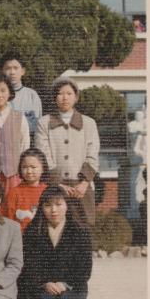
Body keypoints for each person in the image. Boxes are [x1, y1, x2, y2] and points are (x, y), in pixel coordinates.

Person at [34, 78, 100, 225]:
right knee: (54, 227)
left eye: (69, 94)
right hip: (54, 185)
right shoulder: (44, 122)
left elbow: (93, 154)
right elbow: (42, 154)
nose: (65, 98)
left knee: (83, 229)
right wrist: (57, 184)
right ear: (54, 98)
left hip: (82, 187)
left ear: (76, 97)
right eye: (60, 94)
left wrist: (84, 183)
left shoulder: (89, 123)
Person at [2, 148, 49, 232]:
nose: (29, 171)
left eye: (33, 167)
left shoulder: (48, 191)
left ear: (43, 168)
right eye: (24, 167)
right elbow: (8, 220)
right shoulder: (14, 193)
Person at [1, 56, 42, 138]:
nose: (12, 72)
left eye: (16, 68)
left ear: (23, 71)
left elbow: (36, 126)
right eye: (8, 68)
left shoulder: (32, 95)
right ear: (2, 71)